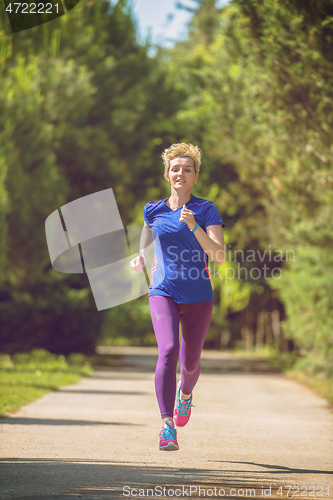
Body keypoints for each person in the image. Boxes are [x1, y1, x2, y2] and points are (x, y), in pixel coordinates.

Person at [130, 143, 225, 451]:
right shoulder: (153, 208)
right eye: (175, 169)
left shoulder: (205, 209)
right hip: (163, 291)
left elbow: (219, 255)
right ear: (167, 174)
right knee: (168, 350)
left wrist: (194, 226)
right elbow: (147, 230)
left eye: (187, 169)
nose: (180, 173)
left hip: (198, 295)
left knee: (190, 363)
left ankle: (186, 395)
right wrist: (141, 256)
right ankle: (166, 425)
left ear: (195, 176)